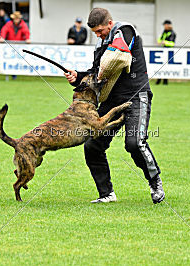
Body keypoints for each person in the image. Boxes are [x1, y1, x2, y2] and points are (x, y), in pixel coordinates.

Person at [64, 8, 165, 204]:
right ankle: (106, 193)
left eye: (101, 31)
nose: (99, 35)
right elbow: (95, 73)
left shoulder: (125, 31)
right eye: (95, 33)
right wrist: (77, 77)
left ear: (109, 24)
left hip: (137, 96)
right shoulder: (101, 44)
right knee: (93, 145)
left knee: (135, 143)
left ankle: (154, 181)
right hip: (111, 101)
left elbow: (117, 55)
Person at [156, 20, 176, 85]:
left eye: (165, 25)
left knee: (166, 66)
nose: (164, 26)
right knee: (161, 66)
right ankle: (159, 80)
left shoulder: (172, 33)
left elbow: (172, 43)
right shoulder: (164, 32)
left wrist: (165, 42)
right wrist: (160, 41)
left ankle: (165, 81)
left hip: (169, 51)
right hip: (164, 51)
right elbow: (160, 39)